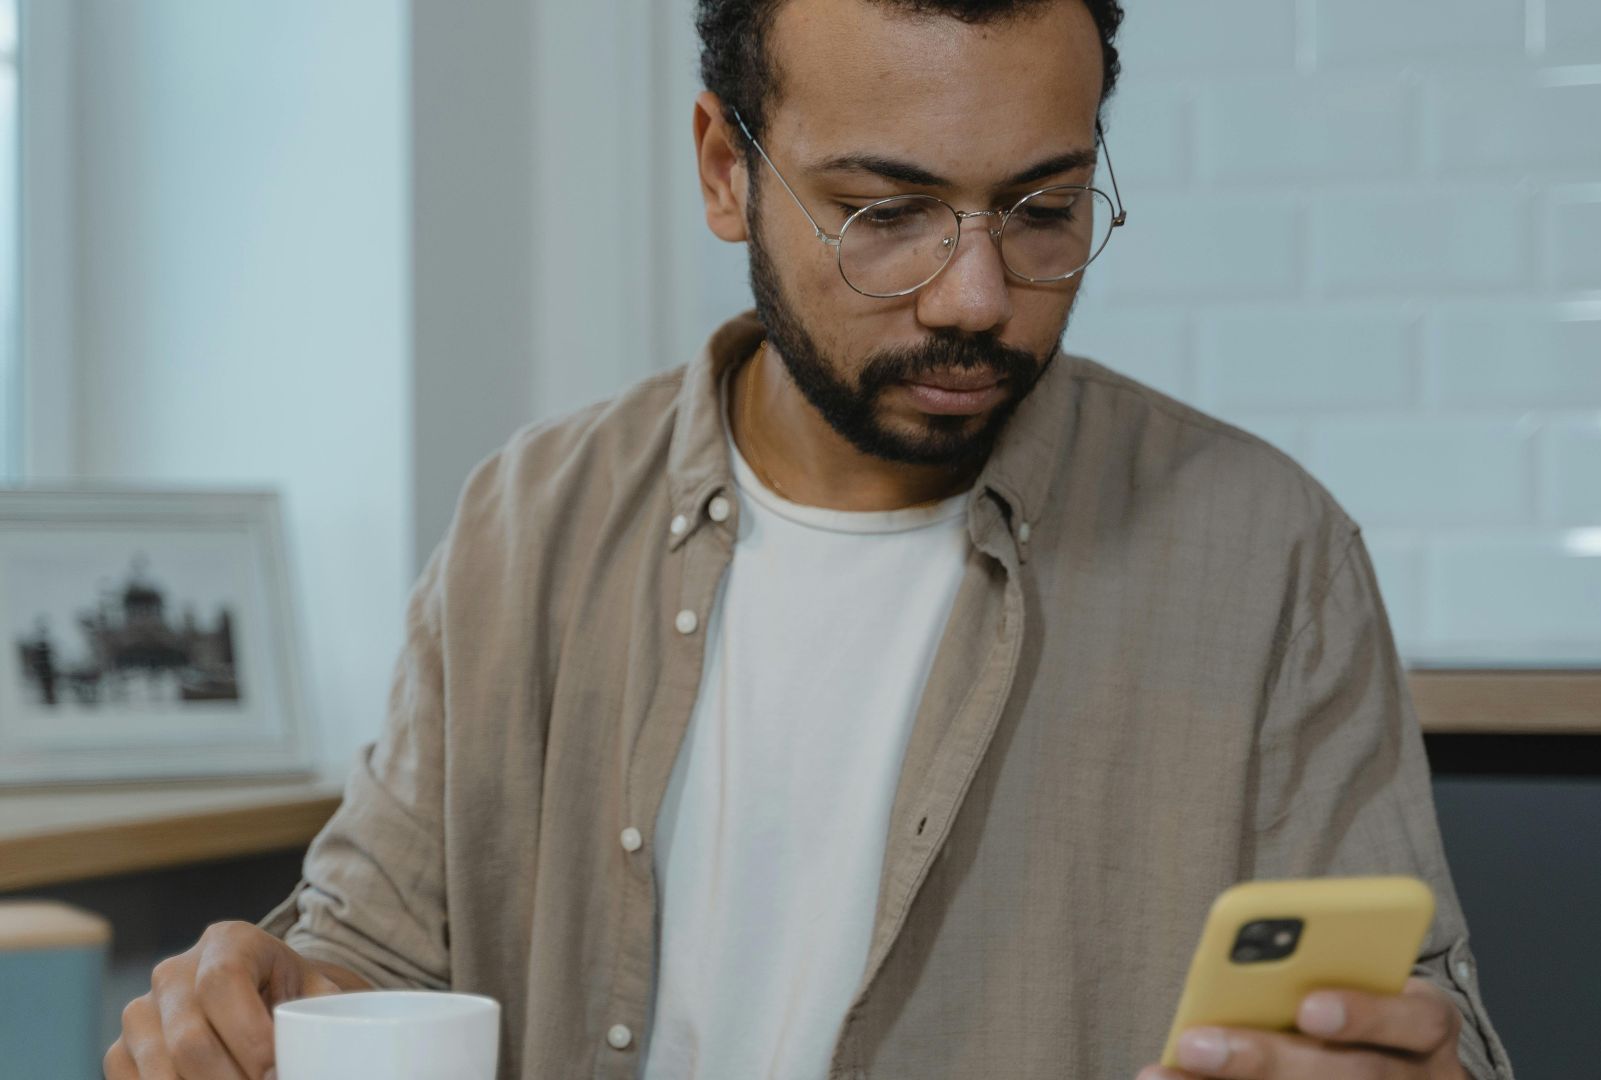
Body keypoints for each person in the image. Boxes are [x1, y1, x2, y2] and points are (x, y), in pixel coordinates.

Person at [106, 1, 1515, 1078]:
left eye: (1044, 209)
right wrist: (264, 1010)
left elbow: (1429, 1026)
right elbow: (368, 951)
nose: (976, 295)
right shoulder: (522, 528)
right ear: (727, 168)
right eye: (884, 213)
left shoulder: (1268, 557)